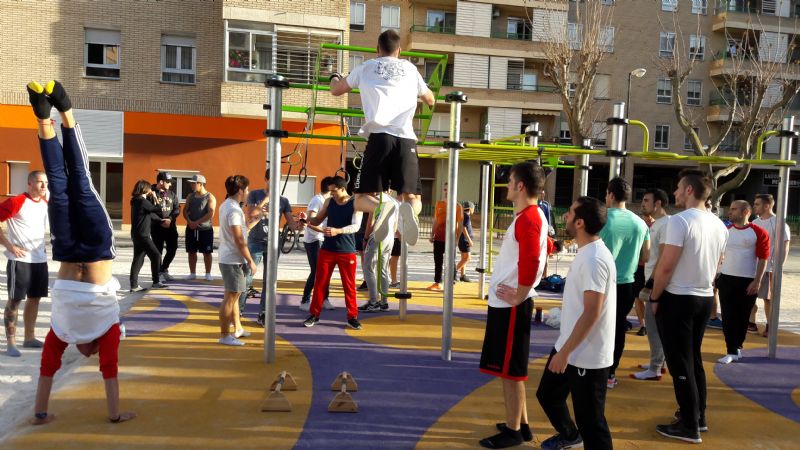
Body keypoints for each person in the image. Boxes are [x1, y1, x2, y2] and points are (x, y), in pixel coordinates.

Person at [26, 80, 135, 424]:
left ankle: (51, 115)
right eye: (94, 355)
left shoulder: (69, 332)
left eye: (88, 355)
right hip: (88, 246)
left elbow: (50, 370)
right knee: (73, 182)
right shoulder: (101, 330)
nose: (90, 355)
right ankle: (58, 113)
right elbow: (109, 371)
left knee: (65, 184)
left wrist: (42, 412)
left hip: (74, 248)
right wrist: (114, 414)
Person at [329, 29, 436, 246]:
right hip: (406, 139)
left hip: (379, 138)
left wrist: (334, 77)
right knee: (414, 199)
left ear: (377, 50)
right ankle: (406, 213)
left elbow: (337, 90)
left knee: (359, 200)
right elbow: (431, 100)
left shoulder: (366, 67)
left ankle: (385, 207)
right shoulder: (410, 68)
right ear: (399, 50)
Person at [650, 169, 728, 444]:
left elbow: (666, 266)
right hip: (703, 296)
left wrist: (655, 297)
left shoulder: (680, 222)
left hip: (679, 298)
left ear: (690, 191)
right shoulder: (719, 224)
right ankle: (697, 416)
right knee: (692, 358)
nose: (675, 193)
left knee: (680, 362)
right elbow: (718, 263)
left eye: (679, 188)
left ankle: (689, 426)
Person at [536, 196, 615, 450]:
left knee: (592, 422)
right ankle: (570, 436)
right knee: (547, 395)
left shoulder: (594, 259)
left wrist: (566, 352)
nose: (565, 216)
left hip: (586, 356)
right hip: (569, 346)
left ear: (579, 222)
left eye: (569, 213)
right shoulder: (586, 252)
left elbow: (592, 312)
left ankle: (579, 435)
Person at [478, 162, 548, 449]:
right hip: (507, 304)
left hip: (512, 306)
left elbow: (532, 262)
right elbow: (542, 251)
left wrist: (519, 294)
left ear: (521, 186)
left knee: (511, 372)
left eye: (510, 181)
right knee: (510, 369)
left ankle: (513, 430)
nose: (506, 185)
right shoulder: (530, 216)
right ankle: (523, 424)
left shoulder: (530, 218)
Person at [598, 177, 649, 389]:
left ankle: (594, 371)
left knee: (596, 328)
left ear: (610, 194)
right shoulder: (640, 223)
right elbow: (645, 257)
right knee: (618, 329)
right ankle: (610, 373)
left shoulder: (602, 218)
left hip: (602, 283)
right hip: (627, 283)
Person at [303, 176, 364, 330]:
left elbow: (356, 227)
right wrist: (307, 219)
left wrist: (339, 231)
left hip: (347, 251)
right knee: (320, 283)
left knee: (349, 286)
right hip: (327, 250)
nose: (332, 194)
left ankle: (352, 317)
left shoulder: (355, 203)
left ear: (342, 188)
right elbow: (316, 221)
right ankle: (314, 315)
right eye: (330, 191)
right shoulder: (329, 202)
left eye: (334, 191)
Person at [243, 170, 301, 324]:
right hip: (255, 241)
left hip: (273, 243)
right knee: (247, 276)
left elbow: (291, 223)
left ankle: (264, 313)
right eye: (271, 180)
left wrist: (300, 224)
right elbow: (251, 213)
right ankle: (239, 310)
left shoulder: (283, 201)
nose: (274, 183)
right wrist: (267, 199)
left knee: (269, 281)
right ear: (266, 179)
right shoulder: (255, 195)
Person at [1, 170, 49, 357]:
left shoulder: (44, 202)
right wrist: (10, 246)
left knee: (35, 298)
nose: (44, 186)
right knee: (15, 300)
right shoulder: (18, 201)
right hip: (20, 260)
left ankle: (29, 337)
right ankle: (11, 343)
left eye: (45, 182)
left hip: (40, 259)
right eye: (39, 182)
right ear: (29, 184)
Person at [717, 200, 769, 364]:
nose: (729, 212)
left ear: (745, 212)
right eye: (730, 209)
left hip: (747, 280)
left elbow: (763, 258)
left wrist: (757, 281)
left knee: (743, 316)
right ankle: (731, 349)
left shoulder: (758, 232)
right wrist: (715, 275)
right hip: (726, 278)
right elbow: (718, 254)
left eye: (733, 209)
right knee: (727, 315)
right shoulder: (725, 230)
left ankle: (737, 347)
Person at [632, 188, 671, 381]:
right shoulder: (658, 224)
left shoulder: (666, 225)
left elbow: (664, 257)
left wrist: (651, 284)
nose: (643, 204)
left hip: (658, 285)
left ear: (658, 203)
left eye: (646, 200)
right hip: (655, 282)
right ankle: (658, 362)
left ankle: (655, 367)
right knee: (658, 325)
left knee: (654, 325)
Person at [217, 175, 258, 346]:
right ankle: (225, 335)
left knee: (234, 294)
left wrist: (258, 219)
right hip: (232, 260)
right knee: (231, 297)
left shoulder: (229, 206)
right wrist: (250, 260)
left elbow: (243, 230)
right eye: (247, 189)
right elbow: (239, 239)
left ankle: (238, 328)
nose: (248, 192)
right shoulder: (233, 210)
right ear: (240, 190)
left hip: (231, 258)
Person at [751, 193, 791, 337]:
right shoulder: (754, 223)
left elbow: (785, 245)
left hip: (770, 267)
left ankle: (770, 326)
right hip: (753, 268)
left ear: (767, 206)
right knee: (750, 296)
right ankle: (751, 323)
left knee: (768, 299)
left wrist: (778, 267)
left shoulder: (778, 223)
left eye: (757, 204)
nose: (754, 206)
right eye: (754, 204)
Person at [358, 190, 399, 313]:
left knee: (368, 267)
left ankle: (373, 301)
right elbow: (395, 226)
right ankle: (384, 302)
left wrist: (366, 238)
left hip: (377, 236)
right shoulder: (395, 202)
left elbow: (371, 221)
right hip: (390, 237)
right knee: (383, 269)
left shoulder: (376, 200)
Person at [299, 176, 334, 312]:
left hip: (322, 238)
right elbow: (310, 219)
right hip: (314, 240)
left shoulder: (326, 200)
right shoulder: (317, 200)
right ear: (330, 188)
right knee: (316, 271)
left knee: (324, 271)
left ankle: (324, 298)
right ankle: (305, 300)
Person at [128, 180, 168, 292]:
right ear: (145, 189)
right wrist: (155, 197)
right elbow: (158, 209)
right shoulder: (141, 200)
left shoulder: (137, 201)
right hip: (143, 235)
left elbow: (150, 214)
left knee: (138, 259)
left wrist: (160, 221)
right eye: (150, 188)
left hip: (137, 234)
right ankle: (156, 282)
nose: (151, 190)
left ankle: (134, 285)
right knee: (156, 256)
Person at [427, 182, 463, 291]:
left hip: (450, 239)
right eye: (445, 189)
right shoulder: (439, 204)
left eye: (449, 189)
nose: (447, 191)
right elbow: (435, 221)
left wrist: (457, 239)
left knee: (450, 262)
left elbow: (460, 224)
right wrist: (432, 234)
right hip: (438, 238)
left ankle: (451, 283)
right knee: (438, 261)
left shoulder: (457, 206)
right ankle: (438, 282)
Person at [183, 174, 216, 281]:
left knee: (207, 252)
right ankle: (192, 273)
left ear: (200, 184)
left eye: (193, 183)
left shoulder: (210, 197)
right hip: (191, 228)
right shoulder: (190, 196)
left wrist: (197, 222)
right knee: (191, 251)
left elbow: (211, 213)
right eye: (191, 183)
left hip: (205, 229)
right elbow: (185, 211)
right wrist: (189, 222)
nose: (191, 185)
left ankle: (208, 273)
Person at [150, 171, 180, 282]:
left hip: (170, 227)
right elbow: (149, 211)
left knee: (173, 248)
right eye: (168, 182)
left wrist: (170, 219)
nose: (170, 184)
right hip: (157, 228)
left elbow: (177, 209)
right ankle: (158, 274)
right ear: (161, 182)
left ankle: (163, 269)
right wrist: (161, 221)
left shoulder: (172, 194)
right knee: (158, 251)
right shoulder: (151, 193)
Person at [633, 212, 655, 336]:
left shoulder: (659, 226)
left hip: (653, 267)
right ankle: (643, 325)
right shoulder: (639, 225)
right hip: (639, 266)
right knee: (638, 296)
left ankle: (651, 324)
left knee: (651, 297)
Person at [457, 201, 475, 282]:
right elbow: (464, 228)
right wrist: (469, 240)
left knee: (463, 258)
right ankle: (453, 273)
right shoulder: (466, 216)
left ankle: (463, 276)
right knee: (467, 258)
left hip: (462, 240)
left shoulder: (463, 215)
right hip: (464, 240)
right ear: (471, 209)